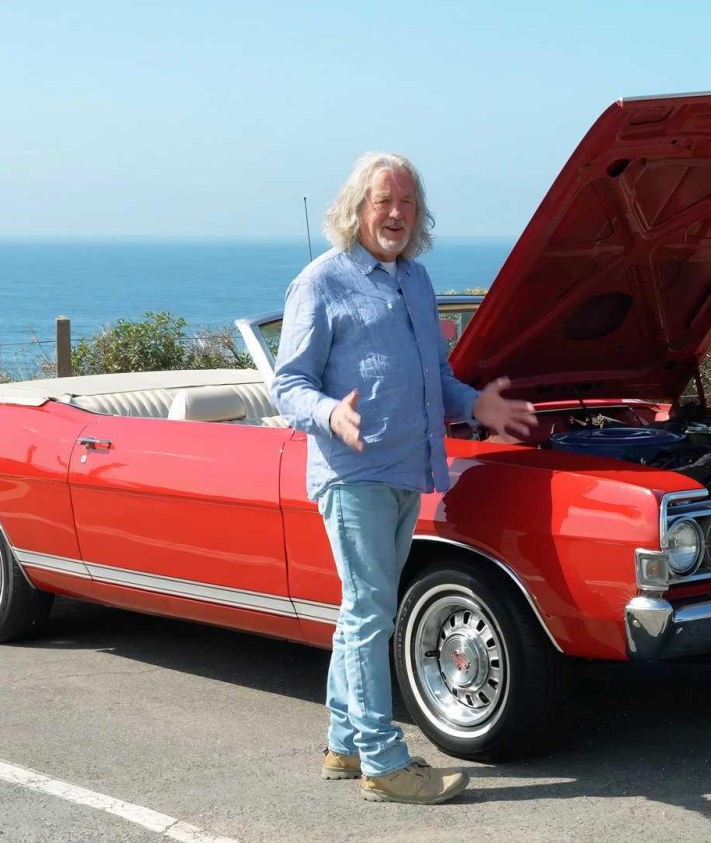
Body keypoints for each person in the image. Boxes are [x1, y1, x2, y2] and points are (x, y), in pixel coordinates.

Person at [271, 152, 536, 805]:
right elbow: (287, 385)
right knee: (370, 612)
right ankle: (384, 761)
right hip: (352, 471)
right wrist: (332, 412)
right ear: (356, 208)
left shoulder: (414, 280)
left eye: (406, 204)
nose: (395, 214)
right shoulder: (321, 281)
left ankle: (342, 743)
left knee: (361, 610)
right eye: (383, 201)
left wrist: (478, 404)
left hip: (407, 471)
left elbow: (433, 377)